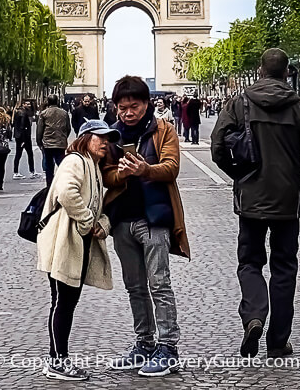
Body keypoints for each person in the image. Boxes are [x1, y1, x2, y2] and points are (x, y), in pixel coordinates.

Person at [211, 49, 300, 360]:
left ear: (260, 71)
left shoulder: (240, 103)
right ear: (287, 74)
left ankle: (254, 314)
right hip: (287, 200)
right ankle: (278, 341)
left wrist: (239, 174)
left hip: (250, 199)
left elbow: (218, 146)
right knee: (284, 268)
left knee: (250, 262)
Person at [102, 75, 189, 377]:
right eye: (122, 107)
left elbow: (172, 167)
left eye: (134, 106)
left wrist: (145, 169)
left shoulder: (164, 130)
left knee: (159, 284)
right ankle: (144, 344)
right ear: (115, 107)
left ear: (147, 103)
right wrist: (122, 175)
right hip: (123, 221)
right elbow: (106, 176)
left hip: (155, 218)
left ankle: (168, 348)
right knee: (135, 287)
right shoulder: (109, 136)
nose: (128, 112)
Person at [37, 120, 118, 381]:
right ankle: (57, 361)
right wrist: (86, 221)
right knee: (63, 302)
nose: (105, 143)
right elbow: (67, 193)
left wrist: (102, 224)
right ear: (85, 138)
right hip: (63, 240)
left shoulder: (92, 165)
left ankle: (58, 358)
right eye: (100, 138)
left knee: (65, 303)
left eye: (108, 139)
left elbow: (98, 204)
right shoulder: (76, 160)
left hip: (76, 241)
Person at [37, 95, 71, 188]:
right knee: (61, 164)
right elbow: (68, 128)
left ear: (48, 102)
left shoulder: (43, 113)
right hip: (60, 142)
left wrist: (39, 142)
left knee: (49, 166)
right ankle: (64, 183)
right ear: (57, 101)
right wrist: (64, 137)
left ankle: (49, 185)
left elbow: (39, 130)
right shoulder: (64, 113)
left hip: (48, 143)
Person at [13, 102, 36, 178]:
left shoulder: (18, 112)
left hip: (19, 136)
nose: (29, 105)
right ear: (23, 105)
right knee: (29, 154)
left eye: (29, 104)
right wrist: (23, 140)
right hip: (24, 137)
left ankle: (16, 172)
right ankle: (31, 171)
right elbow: (22, 126)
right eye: (27, 104)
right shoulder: (23, 113)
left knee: (19, 154)